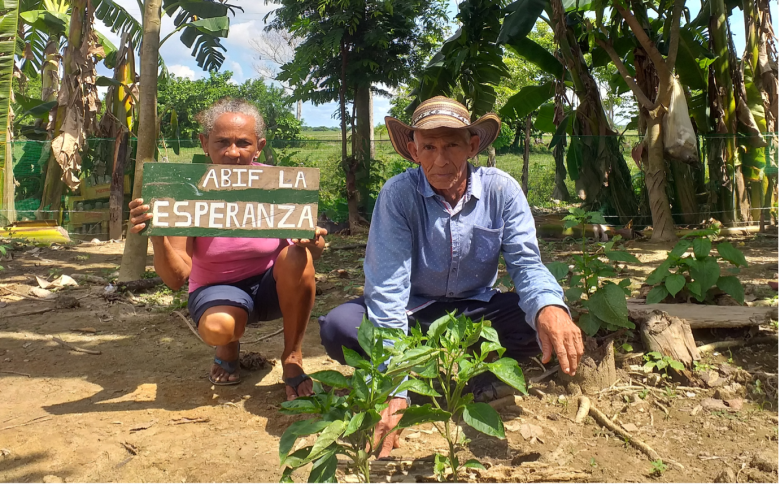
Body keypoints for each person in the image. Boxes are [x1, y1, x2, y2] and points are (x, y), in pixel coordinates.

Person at [319, 96, 585, 457]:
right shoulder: (399, 195)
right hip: (412, 313)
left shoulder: (501, 190)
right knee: (340, 326)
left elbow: (526, 263)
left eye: (452, 145)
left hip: (474, 312)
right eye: (428, 146)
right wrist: (391, 387)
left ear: (472, 145)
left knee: (542, 323)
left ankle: (447, 377)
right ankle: (436, 378)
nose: (440, 160)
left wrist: (550, 308)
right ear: (413, 150)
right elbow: (387, 290)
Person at [128, 98, 326, 401]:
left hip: (271, 287)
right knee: (220, 328)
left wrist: (313, 241)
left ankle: (292, 357)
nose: (232, 153)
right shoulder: (185, 191)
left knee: (298, 255)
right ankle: (228, 344)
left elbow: (312, 254)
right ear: (204, 143)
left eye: (243, 143)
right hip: (216, 289)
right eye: (222, 142)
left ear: (258, 146)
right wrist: (159, 237)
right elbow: (176, 278)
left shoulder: (279, 184)